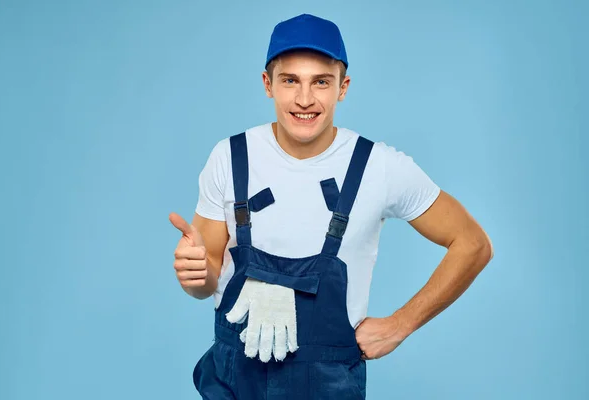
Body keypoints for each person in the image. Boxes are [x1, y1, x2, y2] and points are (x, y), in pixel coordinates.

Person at [169, 13, 493, 399]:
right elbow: (205, 282)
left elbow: (473, 243)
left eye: (320, 82)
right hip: (233, 381)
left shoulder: (378, 166)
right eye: (290, 80)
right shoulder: (229, 157)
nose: (304, 99)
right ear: (267, 84)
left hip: (327, 386)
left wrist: (400, 324)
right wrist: (195, 275)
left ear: (343, 87)